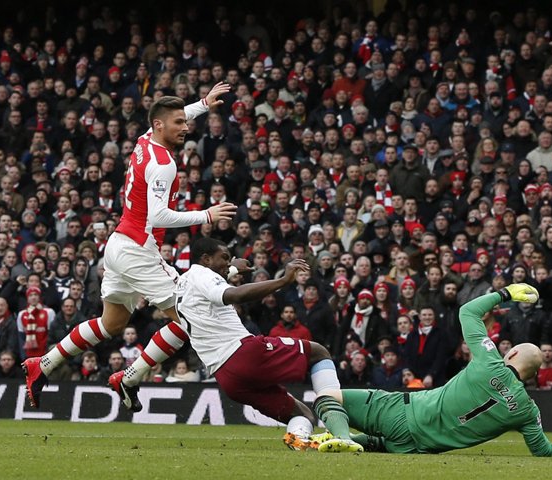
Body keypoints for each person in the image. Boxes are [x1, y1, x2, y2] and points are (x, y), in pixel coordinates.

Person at [22, 84, 237, 410]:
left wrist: (204, 103)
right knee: (187, 316)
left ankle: (44, 364)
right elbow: (158, 214)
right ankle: (130, 377)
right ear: (161, 125)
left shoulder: (145, 140)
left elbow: (174, 116)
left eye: (185, 120)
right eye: (178, 123)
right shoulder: (164, 163)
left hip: (119, 245)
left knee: (112, 323)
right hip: (138, 249)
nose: (185, 127)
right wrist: (206, 213)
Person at [309, 284, 552, 457]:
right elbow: (541, 450)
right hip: (416, 446)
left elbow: (468, 312)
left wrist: (506, 293)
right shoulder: (527, 411)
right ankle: (334, 440)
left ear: (510, 354)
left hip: (404, 412)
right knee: (376, 442)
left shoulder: (489, 360)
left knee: (328, 397)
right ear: (534, 375)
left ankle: (342, 437)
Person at [174, 237, 341, 451]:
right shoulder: (204, 275)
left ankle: (298, 439)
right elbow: (232, 294)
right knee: (318, 351)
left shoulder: (182, 283)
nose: (228, 262)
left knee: (302, 415)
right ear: (206, 259)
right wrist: (282, 281)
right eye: (224, 258)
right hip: (244, 354)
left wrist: (232, 269)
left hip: (227, 378)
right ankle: (339, 427)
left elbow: (208, 287)